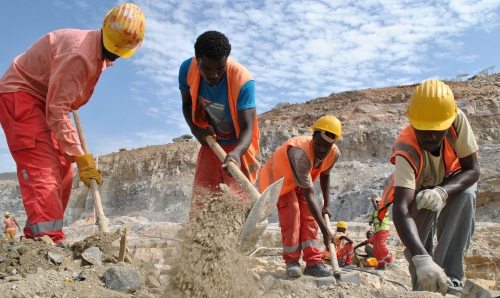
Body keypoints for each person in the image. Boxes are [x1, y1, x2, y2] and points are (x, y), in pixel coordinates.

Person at [0, 3, 146, 244]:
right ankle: (47, 241)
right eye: (112, 50)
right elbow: (57, 109)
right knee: (43, 169)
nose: (114, 56)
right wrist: (80, 155)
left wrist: (74, 158)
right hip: (22, 97)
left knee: (64, 171)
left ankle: (40, 238)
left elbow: (61, 104)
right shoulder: (79, 54)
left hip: (44, 99)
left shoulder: (97, 53)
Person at [378, 80, 480, 295]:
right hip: (417, 189)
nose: (431, 136)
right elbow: (401, 208)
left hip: (452, 180)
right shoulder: (405, 148)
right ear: (413, 123)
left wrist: (442, 192)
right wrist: (422, 258)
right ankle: (424, 285)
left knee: (466, 195)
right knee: (419, 238)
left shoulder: (456, 121)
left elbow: (472, 170)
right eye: (424, 130)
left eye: (438, 130)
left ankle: (451, 279)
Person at [179, 31, 260, 220]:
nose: (213, 74)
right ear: (197, 59)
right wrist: (196, 130)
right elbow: (187, 104)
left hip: (238, 143)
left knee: (236, 200)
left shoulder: (243, 80)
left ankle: (232, 243)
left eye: (220, 68)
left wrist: (236, 153)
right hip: (211, 140)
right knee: (203, 199)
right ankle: (200, 244)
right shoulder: (186, 70)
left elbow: (248, 127)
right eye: (207, 68)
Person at [259, 115, 342, 277]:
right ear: (312, 136)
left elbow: (325, 174)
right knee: (293, 213)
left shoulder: (334, 153)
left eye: (326, 146)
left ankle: (313, 262)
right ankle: (292, 261)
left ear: (333, 143)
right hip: (279, 181)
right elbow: (309, 193)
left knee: (310, 216)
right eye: (318, 144)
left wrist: (327, 204)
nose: (321, 150)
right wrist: (326, 231)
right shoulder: (300, 152)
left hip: (300, 181)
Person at [368, 194, 393, 269]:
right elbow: (372, 219)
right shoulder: (374, 212)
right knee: (376, 247)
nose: (373, 204)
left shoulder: (383, 208)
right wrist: (371, 221)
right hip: (376, 231)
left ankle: (389, 259)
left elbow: (378, 210)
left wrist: (374, 202)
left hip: (383, 229)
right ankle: (381, 264)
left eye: (375, 202)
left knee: (381, 244)